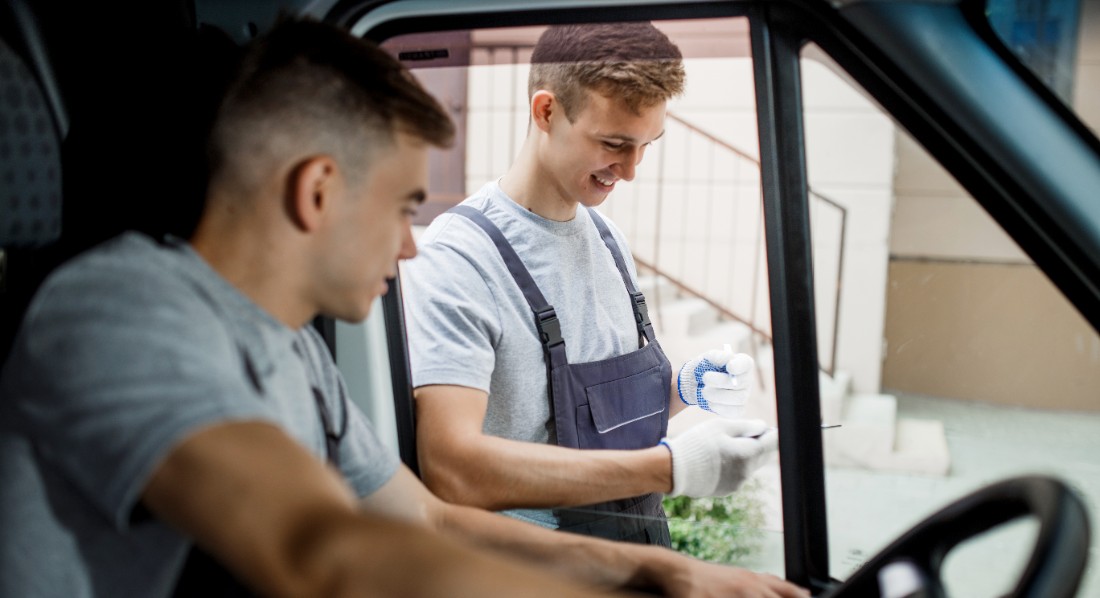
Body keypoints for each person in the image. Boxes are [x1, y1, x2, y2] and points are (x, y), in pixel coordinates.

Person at [0, 15, 807, 598]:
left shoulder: (294, 351)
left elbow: (427, 519)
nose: (412, 245)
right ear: (318, 191)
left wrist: (664, 569)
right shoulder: (119, 312)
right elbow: (323, 550)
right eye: (401, 207)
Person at [403, 21, 777, 545]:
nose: (629, 171)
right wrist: (670, 468)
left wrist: (686, 387)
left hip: (639, 547)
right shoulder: (459, 261)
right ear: (546, 111)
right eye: (614, 144)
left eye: (647, 145)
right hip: (535, 572)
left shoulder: (607, 240)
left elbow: (597, 417)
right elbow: (452, 467)